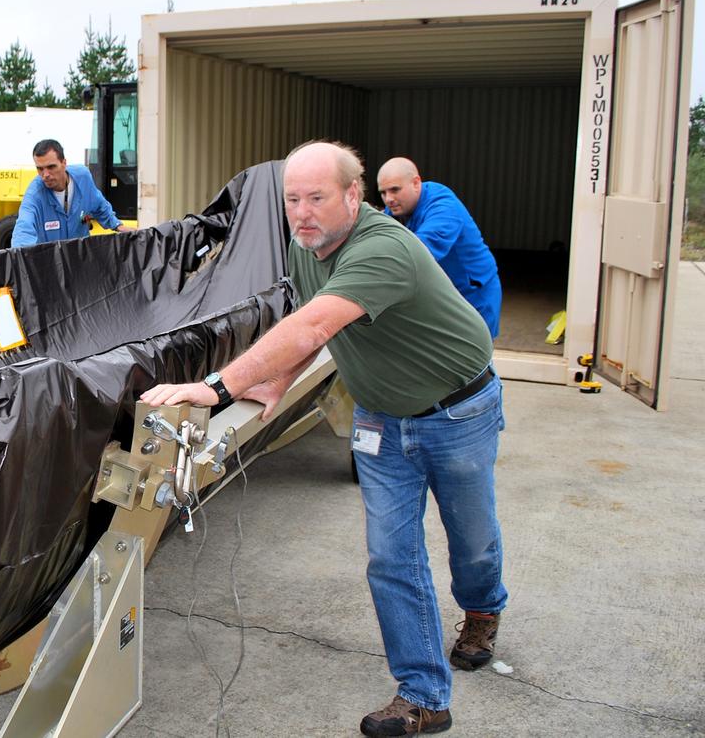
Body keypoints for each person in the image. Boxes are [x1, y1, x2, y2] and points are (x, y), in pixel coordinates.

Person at [142, 142, 506, 737]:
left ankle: (483, 607)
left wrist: (219, 386)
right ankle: (423, 696)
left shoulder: (382, 247)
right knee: (392, 554)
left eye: (317, 198)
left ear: (353, 196)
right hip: (382, 416)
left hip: (456, 411)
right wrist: (275, 381)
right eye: (292, 200)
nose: (302, 212)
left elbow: (312, 323)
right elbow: (313, 323)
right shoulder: (307, 247)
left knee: (471, 539)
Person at [376, 157, 501, 338]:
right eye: (383, 192)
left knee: (474, 360)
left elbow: (417, 252)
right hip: (442, 296)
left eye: (395, 189)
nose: (389, 199)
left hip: (473, 295)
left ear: (416, 183)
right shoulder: (396, 210)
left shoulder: (444, 208)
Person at [9, 138, 131, 248]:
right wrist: (19, 256)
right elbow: (24, 227)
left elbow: (99, 205)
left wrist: (118, 226)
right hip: (52, 264)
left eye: (51, 167)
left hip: (80, 259)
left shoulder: (83, 177)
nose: (45, 175)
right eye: (40, 169)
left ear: (64, 163)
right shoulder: (35, 194)